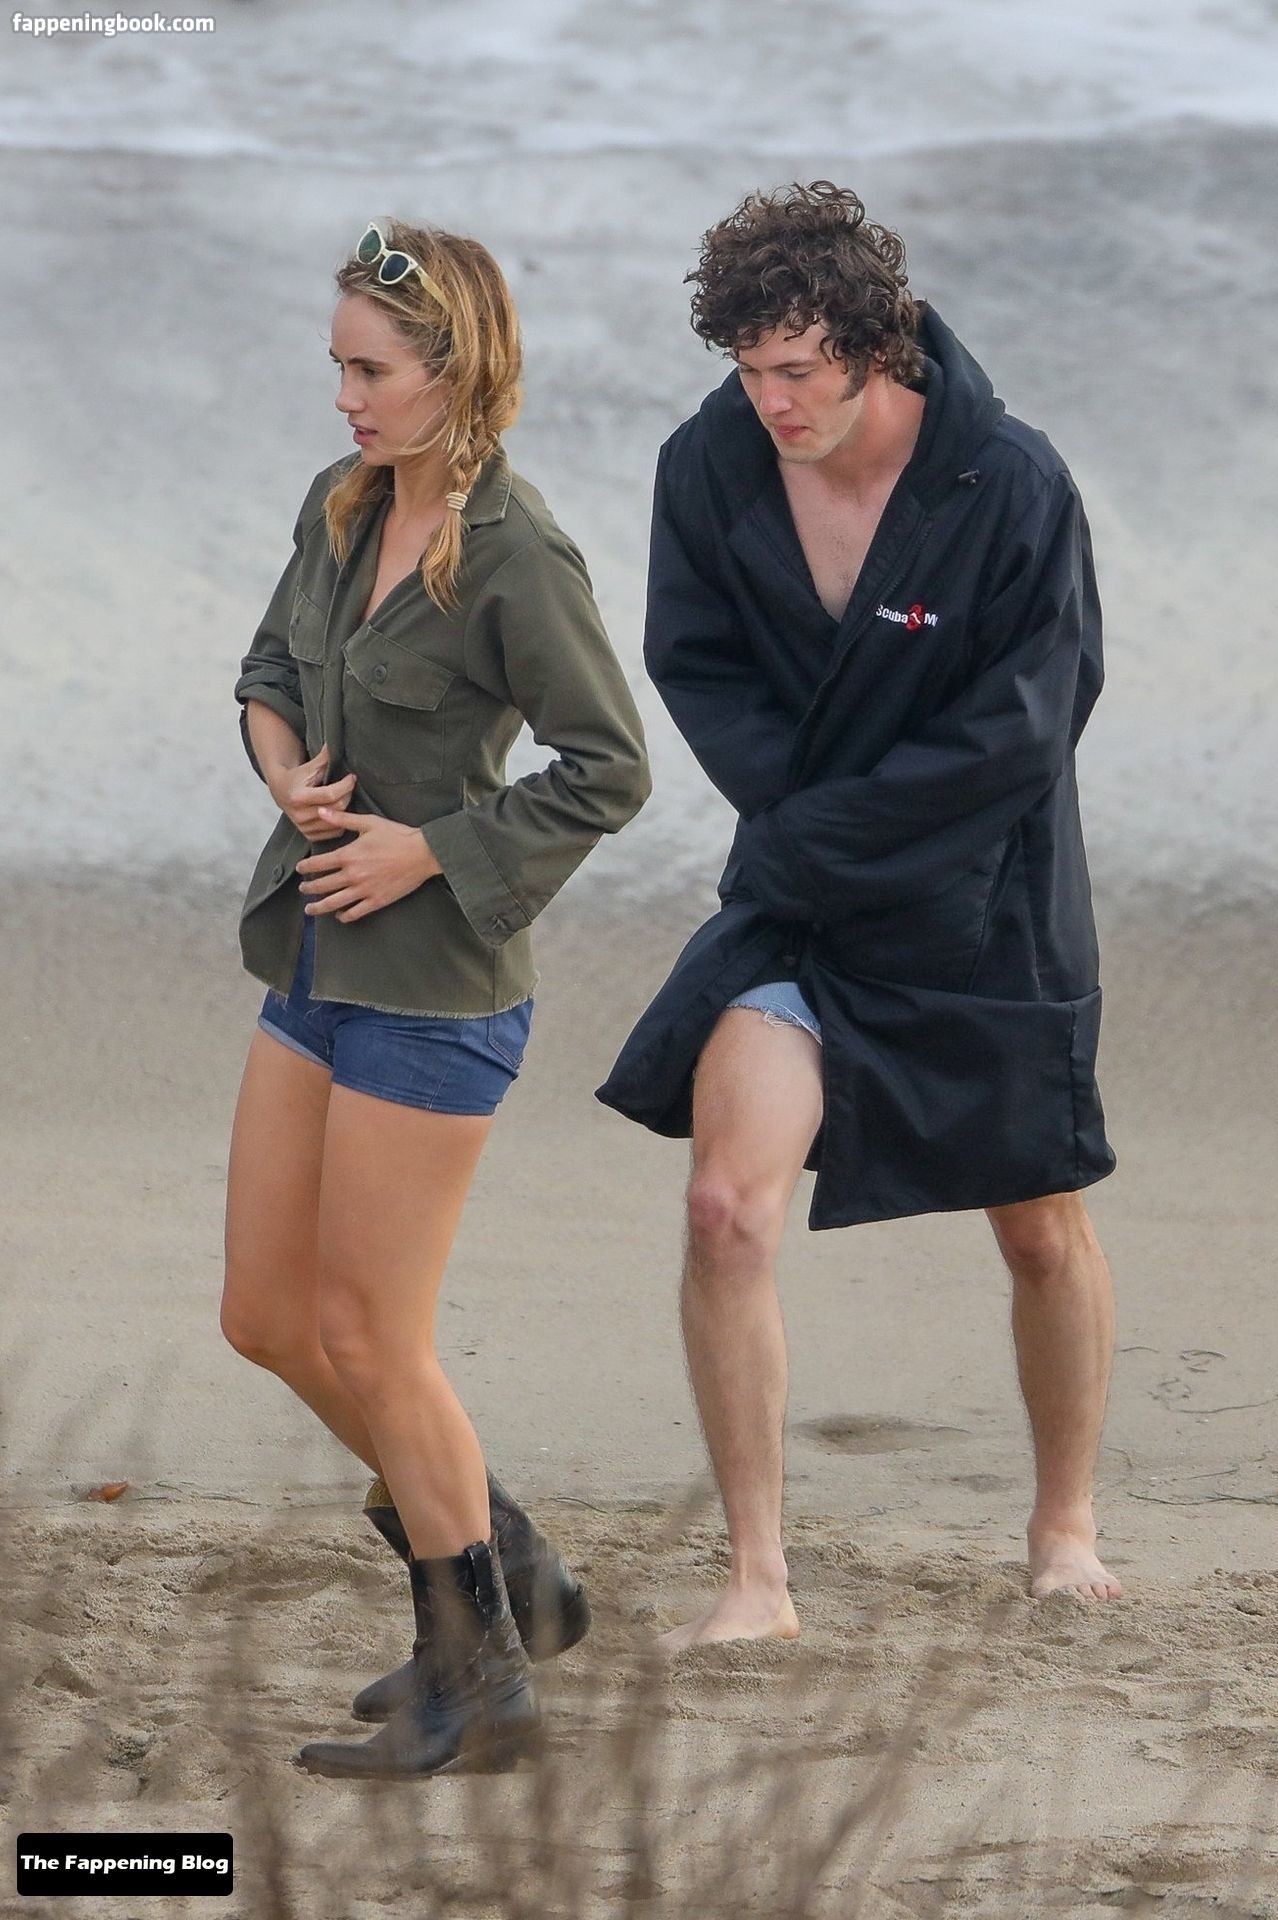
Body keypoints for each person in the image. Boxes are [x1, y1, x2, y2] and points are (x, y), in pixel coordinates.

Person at [597, 181, 1119, 1649]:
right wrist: (808, 840)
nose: (771, 403)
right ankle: (758, 1580)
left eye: (798, 371)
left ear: (878, 347)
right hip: (806, 910)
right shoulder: (709, 464)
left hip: (985, 903)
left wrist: (820, 833)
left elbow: (1029, 725)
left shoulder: (1009, 482)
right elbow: (698, 665)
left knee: (1039, 1229)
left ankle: (1064, 1525)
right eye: (747, 369)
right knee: (724, 1210)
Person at [223, 218, 650, 1773]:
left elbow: (610, 769)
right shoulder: (342, 508)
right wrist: (288, 771)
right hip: (315, 963)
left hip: (436, 996)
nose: (344, 397)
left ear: (453, 371)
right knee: (268, 1319)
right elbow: (270, 674)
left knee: (371, 1335)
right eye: (337, 366)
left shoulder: (519, 556)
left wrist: (432, 850)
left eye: (370, 371)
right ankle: (501, 1556)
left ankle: (481, 1680)